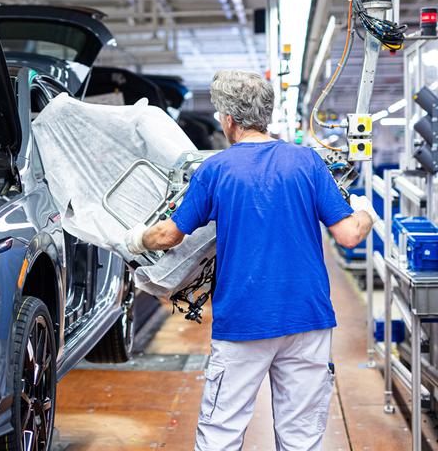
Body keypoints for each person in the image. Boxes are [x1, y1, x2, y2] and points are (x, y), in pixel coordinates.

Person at [124, 70, 377, 451]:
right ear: (266, 114)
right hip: (307, 319)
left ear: (228, 119)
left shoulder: (215, 170)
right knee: (302, 438)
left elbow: (169, 235)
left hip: (243, 322)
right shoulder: (308, 163)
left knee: (221, 435)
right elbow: (349, 234)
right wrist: (366, 212)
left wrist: (131, 238)